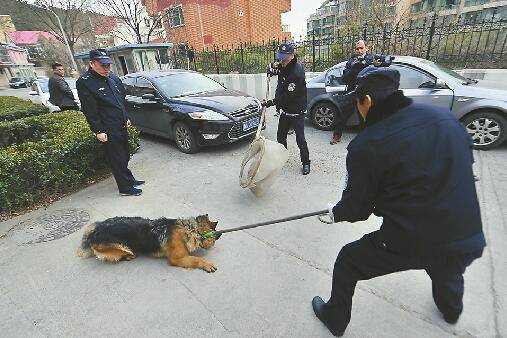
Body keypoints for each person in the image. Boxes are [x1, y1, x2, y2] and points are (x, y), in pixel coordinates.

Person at [312, 67, 485, 336]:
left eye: (357, 102)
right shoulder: (445, 119)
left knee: (348, 260)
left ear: (366, 101)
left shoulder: (366, 146)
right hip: (467, 236)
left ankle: (335, 319)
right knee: (447, 264)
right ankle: (451, 310)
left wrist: (337, 212)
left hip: (411, 240)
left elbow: (358, 210)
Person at [76, 49, 144, 196]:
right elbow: (90, 109)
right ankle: (125, 188)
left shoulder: (111, 77)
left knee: (125, 154)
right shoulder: (85, 82)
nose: (107, 68)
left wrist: (125, 117)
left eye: (108, 65)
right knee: (117, 158)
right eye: (103, 65)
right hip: (108, 127)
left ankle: (129, 179)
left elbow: (120, 99)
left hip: (120, 123)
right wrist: (98, 131)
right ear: (92, 64)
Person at [262, 42, 311, 175]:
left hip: (296, 111)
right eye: (280, 57)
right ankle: (282, 158)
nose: (281, 60)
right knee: (280, 136)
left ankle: (306, 163)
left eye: (283, 58)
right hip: (285, 110)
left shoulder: (297, 73)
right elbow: (279, 68)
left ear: (291, 56)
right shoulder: (285, 63)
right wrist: (273, 69)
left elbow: (287, 97)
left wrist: (270, 102)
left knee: (300, 139)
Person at [330, 40, 383, 145]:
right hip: (352, 91)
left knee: (364, 116)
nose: (359, 50)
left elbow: (385, 66)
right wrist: (354, 67)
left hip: (365, 92)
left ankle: (365, 138)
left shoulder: (372, 59)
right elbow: (345, 79)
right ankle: (337, 135)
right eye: (357, 48)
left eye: (361, 48)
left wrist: (378, 65)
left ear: (366, 48)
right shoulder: (351, 62)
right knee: (344, 114)